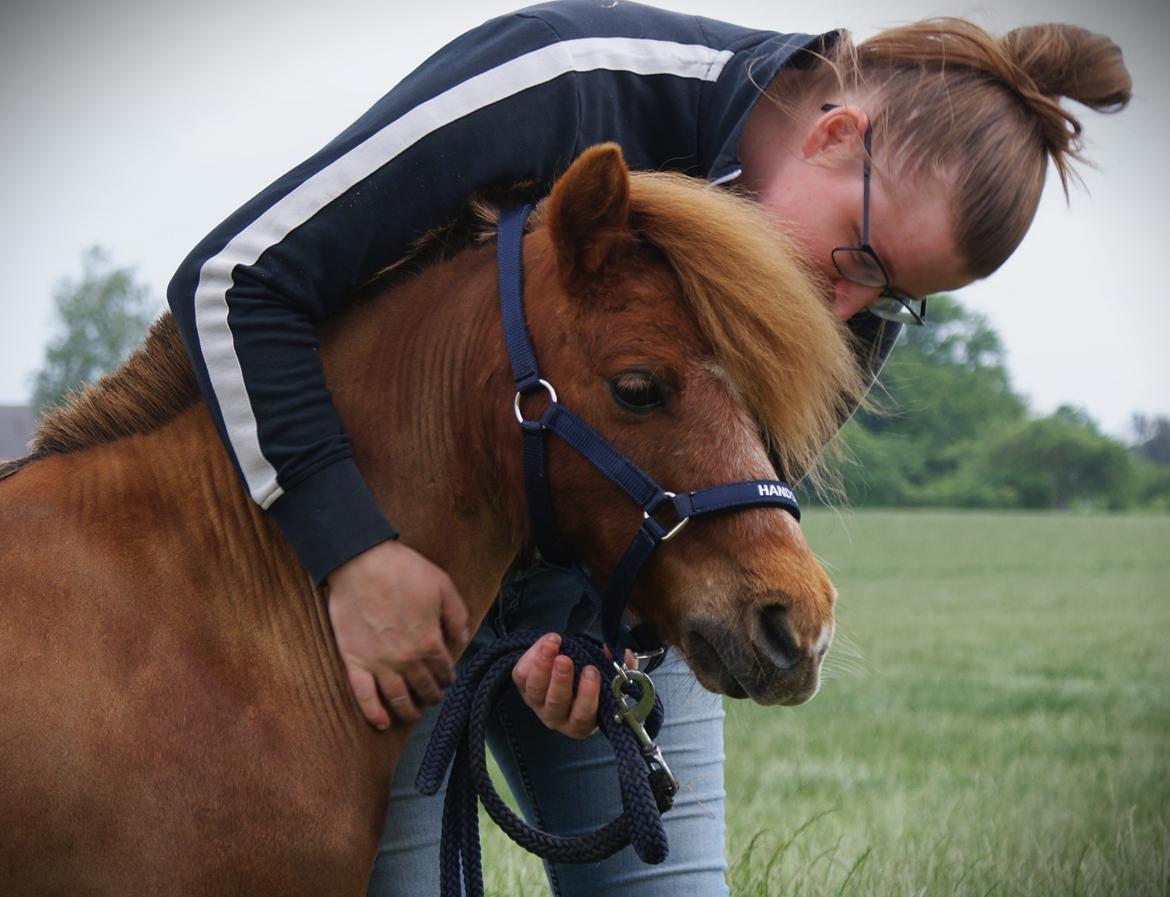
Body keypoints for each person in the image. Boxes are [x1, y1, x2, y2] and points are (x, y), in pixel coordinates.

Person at [166, 2, 1131, 894]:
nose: (849, 312)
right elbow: (234, 282)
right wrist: (353, 553)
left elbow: (721, 497)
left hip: (597, 561)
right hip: (376, 550)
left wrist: (604, 644)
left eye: (896, 296)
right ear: (836, 135)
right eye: (861, 258)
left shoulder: (848, 297)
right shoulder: (570, 79)